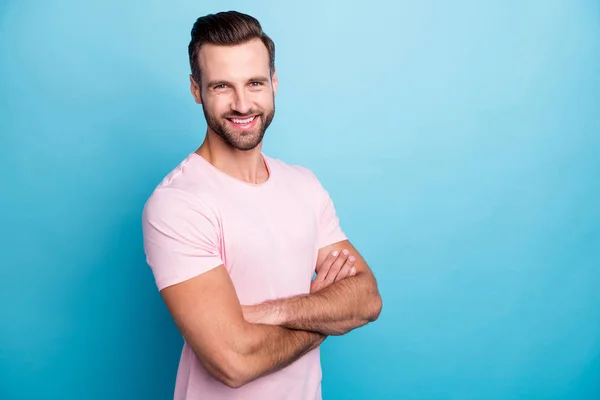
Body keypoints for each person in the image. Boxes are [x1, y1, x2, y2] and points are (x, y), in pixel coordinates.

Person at [141, 10, 382, 400]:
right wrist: (328, 315)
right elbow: (233, 363)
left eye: (254, 83)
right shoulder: (178, 204)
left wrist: (265, 312)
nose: (242, 104)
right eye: (222, 86)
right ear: (195, 89)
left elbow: (367, 298)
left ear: (274, 82)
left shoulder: (304, 185)